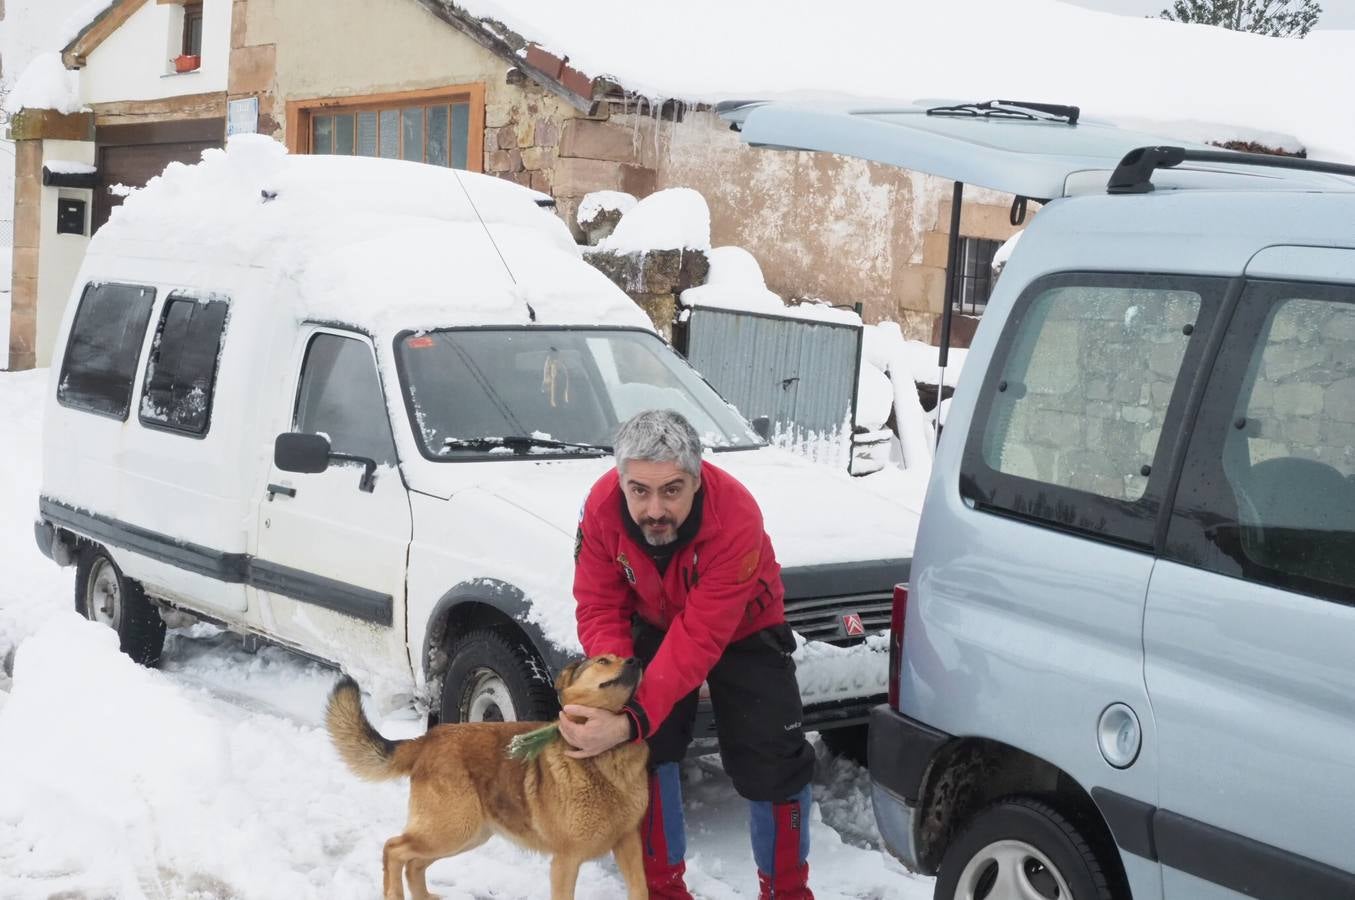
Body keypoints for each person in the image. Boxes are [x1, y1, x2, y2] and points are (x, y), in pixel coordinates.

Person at [559, 408, 815, 900]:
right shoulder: (599, 508)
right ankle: (661, 889)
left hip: (744, 625)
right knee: (645, 749)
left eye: (671, 490)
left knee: (773, 757)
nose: (655, 508)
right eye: (640, 491)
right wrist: (615, 696)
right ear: (621, 481)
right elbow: (599, 604)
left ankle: (786, 891)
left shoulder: (735, 515)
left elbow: (699, 637)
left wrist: (632, 717)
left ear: (696, 481)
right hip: (652, 619)